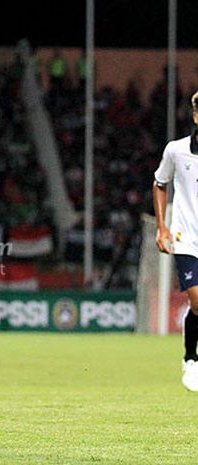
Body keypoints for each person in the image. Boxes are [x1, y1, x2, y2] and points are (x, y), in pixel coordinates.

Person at [154, 90, 198, 391]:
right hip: (185, 238)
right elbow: (159, 183)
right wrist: (162, 227)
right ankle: (190, 359)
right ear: (196, 116)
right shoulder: (176, 150)